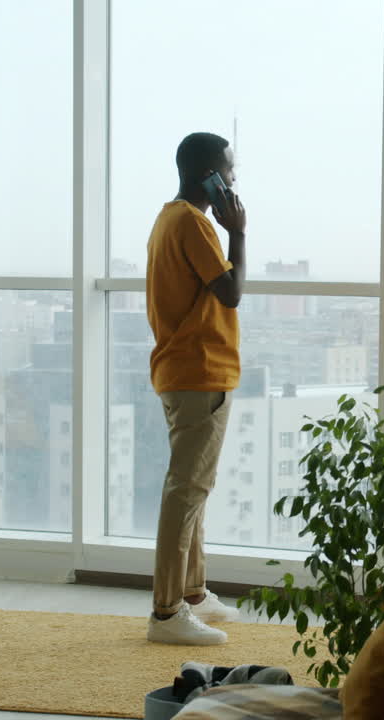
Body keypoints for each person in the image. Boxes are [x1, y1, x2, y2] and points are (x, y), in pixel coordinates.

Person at [145, 132, 247, 645]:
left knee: (193, 487)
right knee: (186, 492)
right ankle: (166, 613)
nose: (233, 178)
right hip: (199, 371)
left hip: (182, 369)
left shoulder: (169, 217)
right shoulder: (195, 224)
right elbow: (229, 293)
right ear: (209, 172)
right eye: (228, 169)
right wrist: (239, 233)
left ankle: (192, 592)